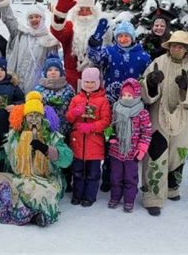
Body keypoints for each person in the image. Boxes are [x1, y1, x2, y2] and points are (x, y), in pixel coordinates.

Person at [0, 91, 73, 227]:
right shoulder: (14, 136)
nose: (33, 120)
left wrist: (46, 149)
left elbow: (67, 159)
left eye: (37, 116)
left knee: (42, 193)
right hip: (19, 177)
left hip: (46, 180)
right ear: (24, 118)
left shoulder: (52, 136)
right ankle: (23, 210)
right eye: (30, 116)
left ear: (43, 118)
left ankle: (35, 214)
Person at [140, 31, 188, 216]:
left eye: (181, 46)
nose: (177, 48)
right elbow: (143, 87)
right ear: (169, 46)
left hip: (184, 117)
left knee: (179, 152)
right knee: (156, 153)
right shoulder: (158, 62)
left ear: (186, 49)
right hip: (158, 115)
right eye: (174, 45)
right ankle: (153, 197)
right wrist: (151, 83)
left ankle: (171, 188)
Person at [87, 20, 151, 193]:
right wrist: (96, 38)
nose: (123, 39)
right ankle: (108, 175)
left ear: (133, 37)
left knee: (130, 140)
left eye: (126, 36)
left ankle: (128, 178)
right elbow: (94, 56)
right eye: (120, 36)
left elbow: (149, 80)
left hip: (133, 109)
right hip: (111, 106)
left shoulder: (143, 56)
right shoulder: (109, 52)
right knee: (111, 139)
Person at [0, 0, 60, 93]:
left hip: (37, 88)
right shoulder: (20, 34)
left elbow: (53, 66)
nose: (34, 20)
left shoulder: (50, 41)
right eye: (31, 17)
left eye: (37, 17)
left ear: (42, 19)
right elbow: (9, 19)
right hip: (15, 84)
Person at [51, 0, 112, 91]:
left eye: (87, 10)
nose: (84, 13)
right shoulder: (70, 26)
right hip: (71, 80)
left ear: (93, 12)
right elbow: (57, 31)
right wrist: (60, 12)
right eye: (81, 10)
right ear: (75, 12)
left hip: (94, 80)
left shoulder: (101, 29)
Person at [66, 67, 111, 207]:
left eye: (92, 82)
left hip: (94, 142)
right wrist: (74, 112)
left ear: (97, 82)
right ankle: (77, 195)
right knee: (77, 171)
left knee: (93, 173)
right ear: (82, 82)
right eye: (86, 82)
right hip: (78, 141)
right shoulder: (76, 99)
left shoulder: (103, 101)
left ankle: (89, 196)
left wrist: (91, 127)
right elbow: (68, 118)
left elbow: (106, 121)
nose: (89, 85)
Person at [108, 78, 152, 212]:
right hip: (116, 151)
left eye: (130, 95)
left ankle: (129, 199)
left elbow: (146, 133)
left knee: (130, 178)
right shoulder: (116, 108)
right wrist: (111, 136)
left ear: (137, 96)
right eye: (124, 95)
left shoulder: (142, 113)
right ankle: (115, 197)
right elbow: (111, 126)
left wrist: (142, 149)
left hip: (132, 153)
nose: (126, 98)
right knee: (115, 177)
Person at [35, 54, 75, 191]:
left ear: (61, 72)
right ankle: (51, 180)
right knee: (50, 154)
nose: (53, 72)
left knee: (64, 154)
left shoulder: (68, 89)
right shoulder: (39, 89)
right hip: (47, 130)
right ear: (45, 72)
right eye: (50, 69)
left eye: (56, 69)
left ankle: (67, 180)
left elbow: (73, 105)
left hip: (65, 129)